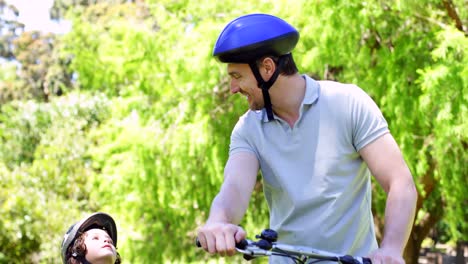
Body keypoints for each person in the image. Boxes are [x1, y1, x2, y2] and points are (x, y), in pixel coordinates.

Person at [196, 13, 418, 264]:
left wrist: (390, 249)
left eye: (237, 76)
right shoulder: (248, 129)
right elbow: (234, 188)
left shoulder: (347, 103)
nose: (233, 88)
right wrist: (218, 222)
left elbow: (400, 182)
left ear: (267, 68)